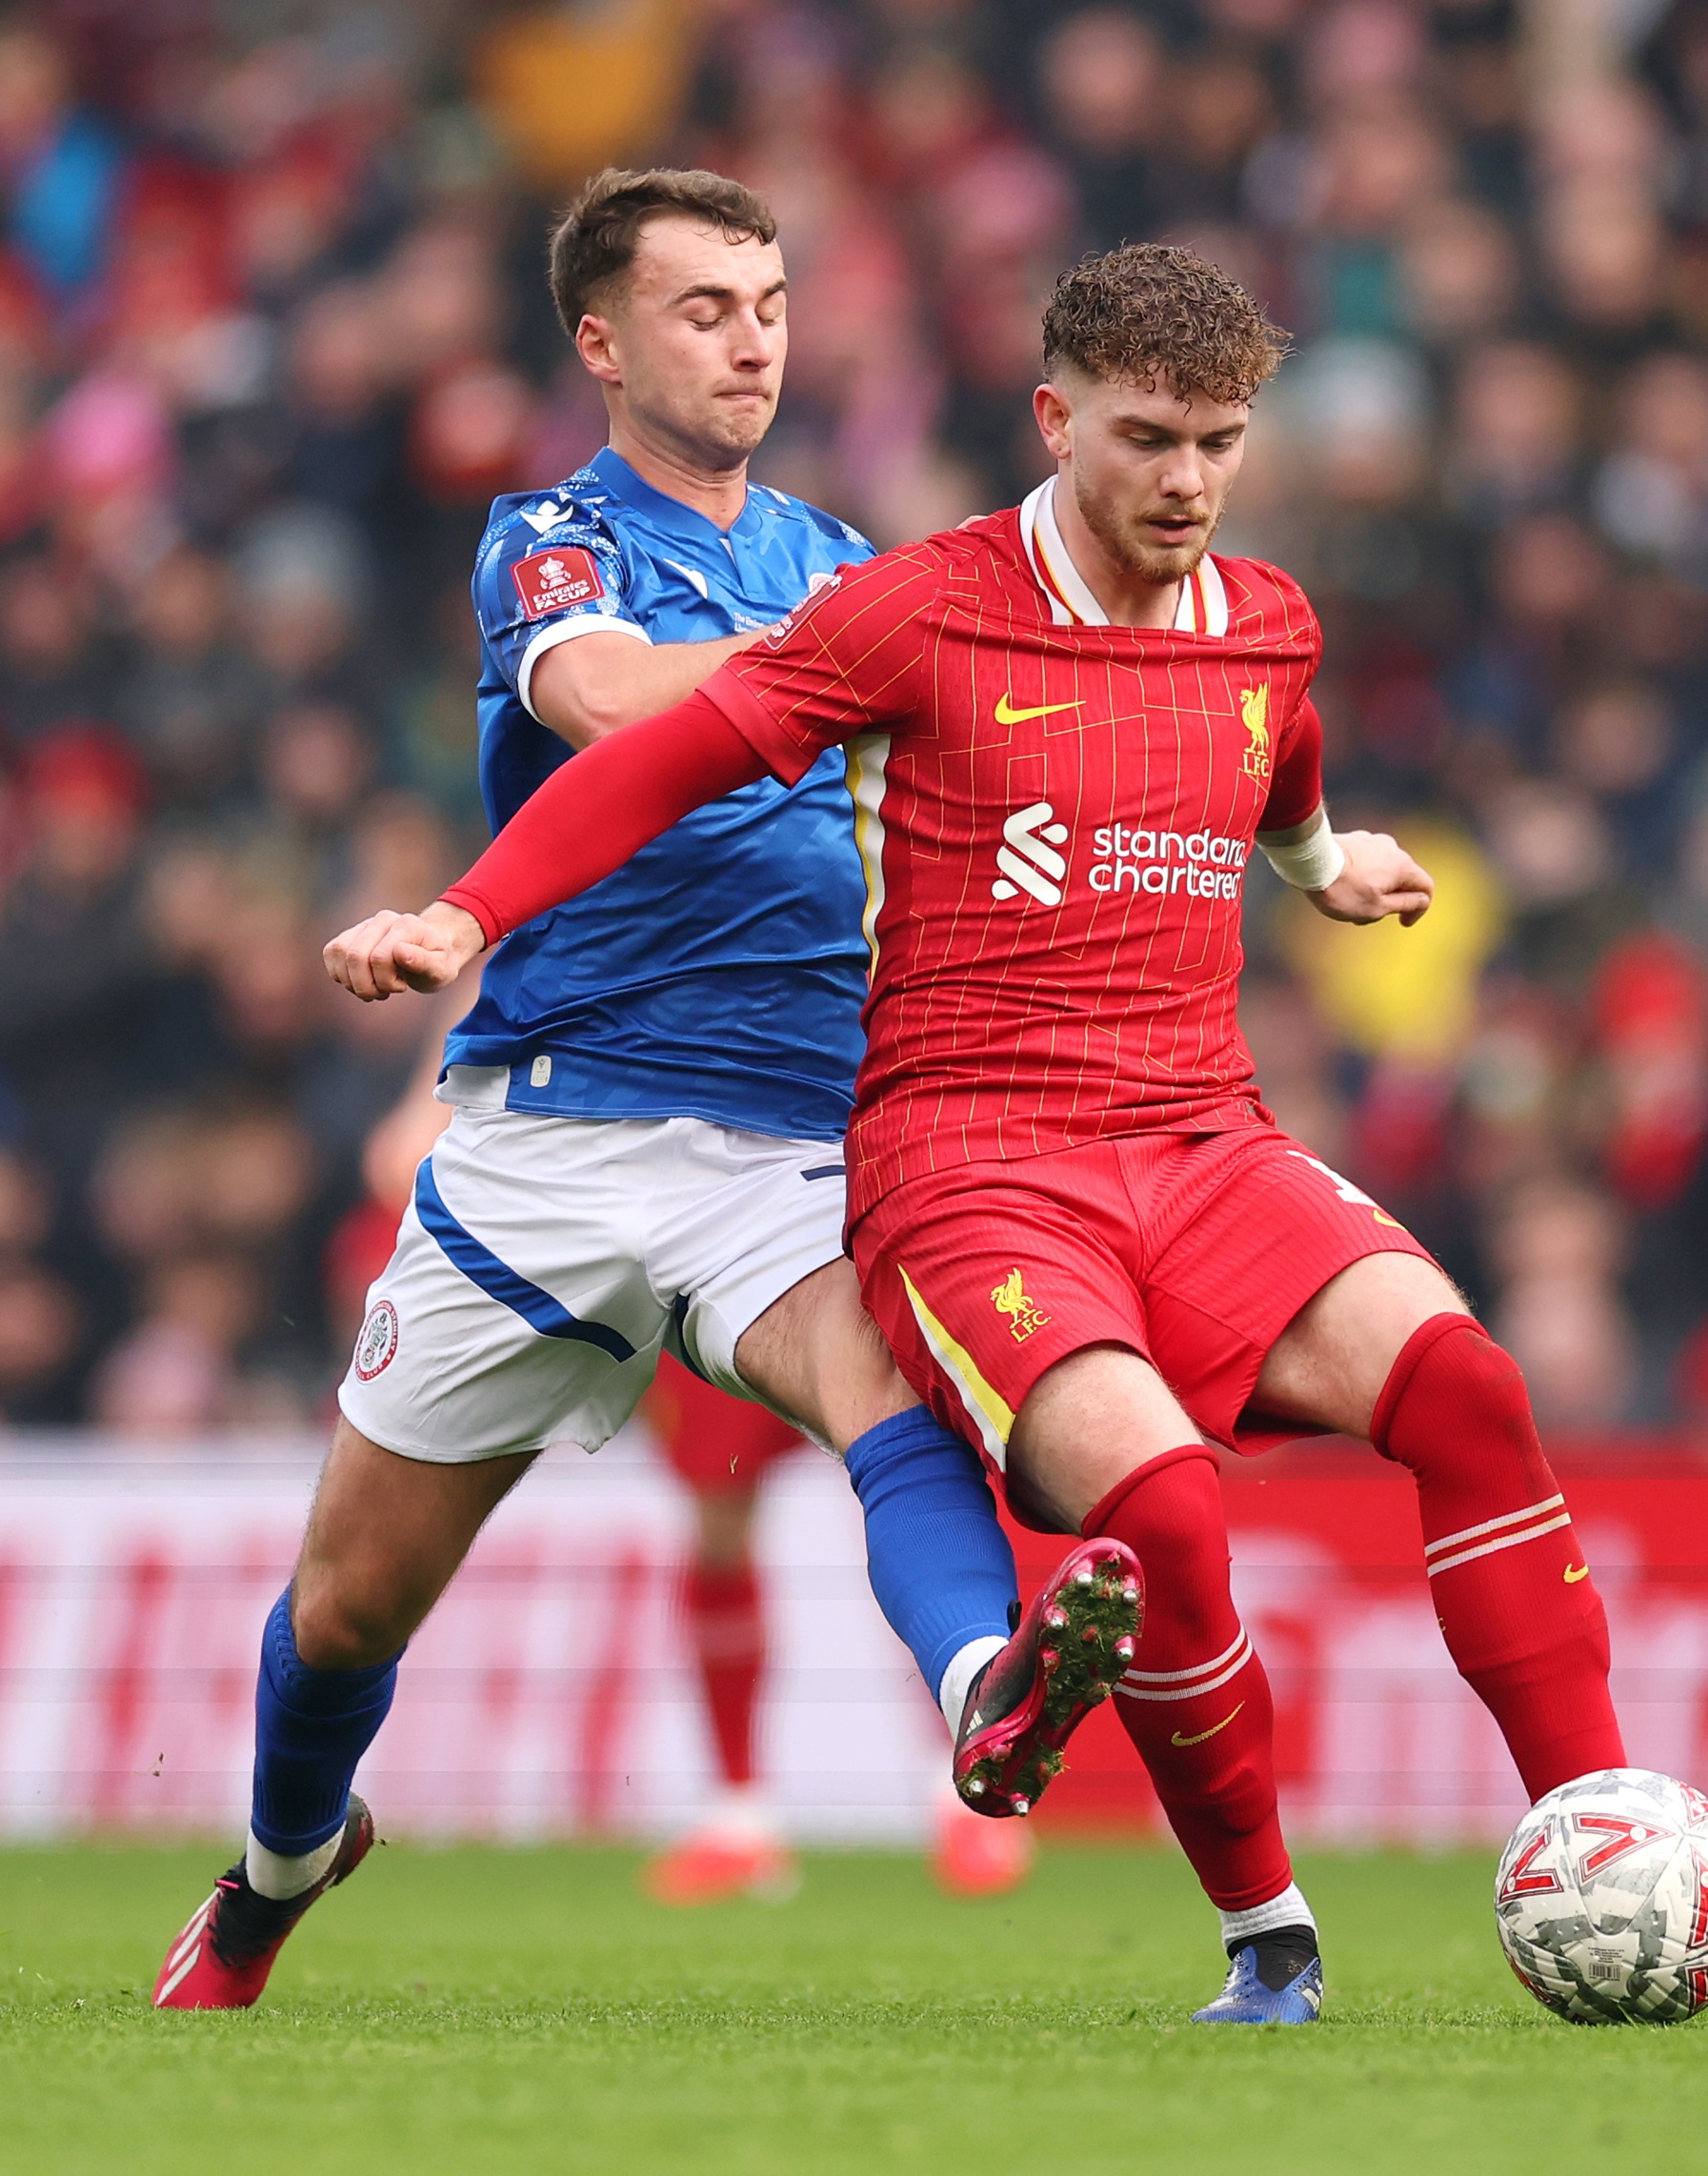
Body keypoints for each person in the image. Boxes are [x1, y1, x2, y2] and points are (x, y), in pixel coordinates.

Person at [323, 243, 1708, 2025]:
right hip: (969, 1162)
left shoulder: (1270, 620)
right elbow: (661, 760)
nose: (1187, 481)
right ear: (1055, 419)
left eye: (1219, 442)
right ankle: (1266, 1941)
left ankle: (1616, 1834)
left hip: (1203, 1139)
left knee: (1472, 1393)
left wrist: (1323, 862)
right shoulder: (916, 610)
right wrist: (464, 915)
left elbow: (1275, 764)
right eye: (1147, 439)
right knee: (1162, 1511)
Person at [152, 171, 1139, 2012]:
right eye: (703, 308)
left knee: (878, 1393)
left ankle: (982, 1696)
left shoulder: (847, 555)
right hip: (544, 1137)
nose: (752, 336)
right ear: (602, 344)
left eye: (768, 300)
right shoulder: (553, 536)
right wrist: (844, 675)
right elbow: (609, 702)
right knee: (353, 1605)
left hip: (783, 1138)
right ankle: (279, 1869)